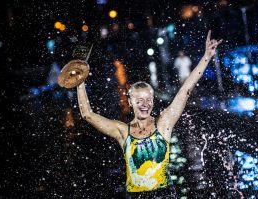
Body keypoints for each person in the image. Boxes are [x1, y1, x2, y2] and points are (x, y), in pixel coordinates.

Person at [76, 30, 222, 198]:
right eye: (139, 100)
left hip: (164, 194)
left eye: (148, 99)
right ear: (130, 102)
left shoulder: (163, 124)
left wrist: (206, 57)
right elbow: (87, 114)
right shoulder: (122, 131)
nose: (144, 104)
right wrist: (80, 83)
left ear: (153, 100)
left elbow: (185, 90)